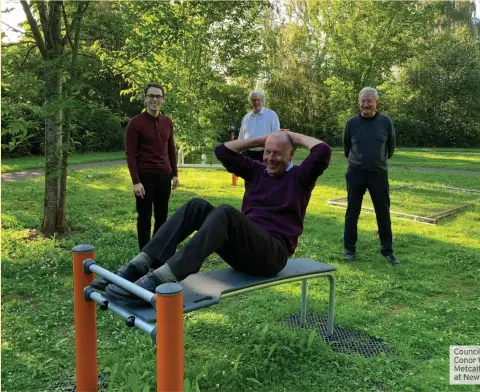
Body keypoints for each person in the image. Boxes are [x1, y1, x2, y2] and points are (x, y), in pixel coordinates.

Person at [91, 130, 331, 306]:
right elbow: (223, 151)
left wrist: (293, 136)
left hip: (272, 254)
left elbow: (323, 150)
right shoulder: (257, 170)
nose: (269, 158)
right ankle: (138, 265)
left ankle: (161, 278)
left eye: (277, 153)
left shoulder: (301, 177)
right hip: (245, 251)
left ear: (291, 156)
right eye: (267, 152)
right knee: (197, 205)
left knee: (226, 212)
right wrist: (262, 139)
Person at [343, 87, 399, 265]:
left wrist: (378, 161)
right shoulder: (351, 123)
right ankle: (349, 250)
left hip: (378, 173)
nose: (366, 104)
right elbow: (346, 148)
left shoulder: (385, 122)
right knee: (352, 212)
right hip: (356, 172)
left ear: (376, 102)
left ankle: (387, 250)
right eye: (363, 101)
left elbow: (390, 147)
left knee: (383, 212)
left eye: (369, 101)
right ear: (359, 102)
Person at [125, 82, 179, 251]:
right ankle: (143, 255)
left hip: (164, 175)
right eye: (151, 96)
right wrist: (136, 181)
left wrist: (175, 174)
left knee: (162, 217)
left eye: (158, 96)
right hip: (145, 177)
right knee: (144, 218)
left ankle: (157, 252)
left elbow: (171, 149)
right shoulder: (135, 123)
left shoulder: (167, 122)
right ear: (145, 98)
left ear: (162, 99)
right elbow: (130, 154)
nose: (154, 99)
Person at [238, 90, 280, 162]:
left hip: (265, 153)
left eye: (258, 100)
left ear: (262, 100)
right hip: (247, 154)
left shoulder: (271, 115)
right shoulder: (246, 117)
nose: (256, 102)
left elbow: (276, 135)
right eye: (254, 100)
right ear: (251, 101)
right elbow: (241, 137)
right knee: (247, 173)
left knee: (264, 173)